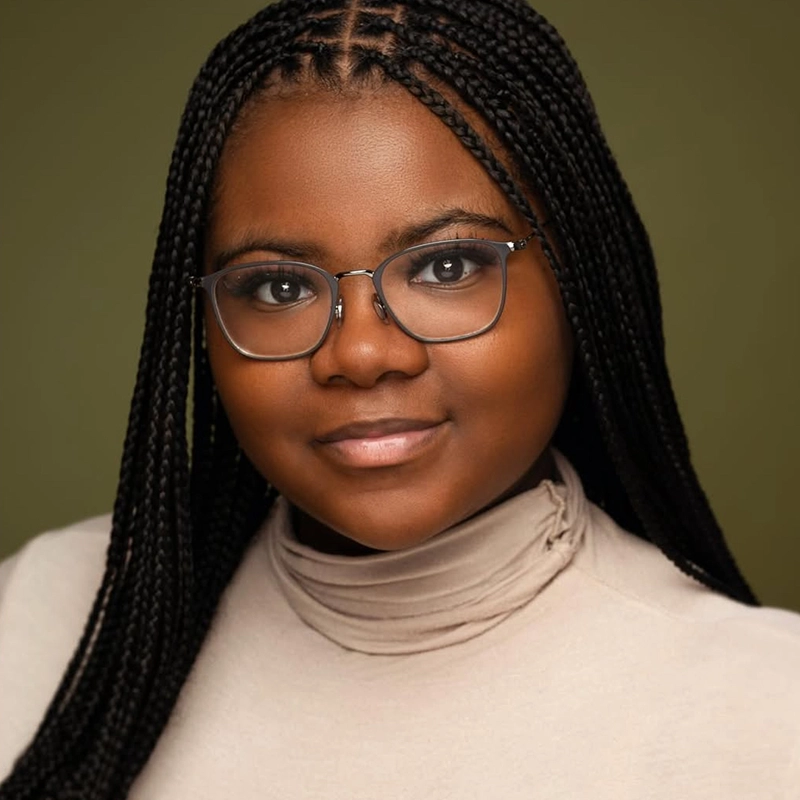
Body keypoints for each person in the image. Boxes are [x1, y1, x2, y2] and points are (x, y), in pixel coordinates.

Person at [0, 0, 798, 797]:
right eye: (278, 285)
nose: (362, 353)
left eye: (446, 268)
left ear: (578, 283)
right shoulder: (43, 618)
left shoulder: (763, 711)